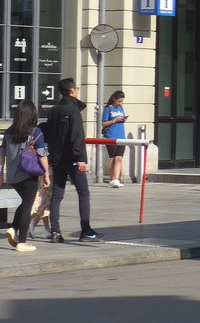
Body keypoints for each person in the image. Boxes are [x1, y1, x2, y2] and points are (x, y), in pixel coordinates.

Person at [45, 77, 100, 243]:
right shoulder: (73, 110)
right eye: (76, 88)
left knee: (57, 195)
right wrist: (81, 158)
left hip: (56, 158)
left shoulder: (54, 109)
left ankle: (55, 232)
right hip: (72, 159)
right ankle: (86, 231)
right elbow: (77, 136)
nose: (77, 90)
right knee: (83, 193)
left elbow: (49, 134)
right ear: (72, 91)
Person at [1, 100, 51, 253]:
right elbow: (42, 155)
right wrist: (46, 174)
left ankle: (14, 228)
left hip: (13, 175)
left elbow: (1, 154)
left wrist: (0, 174)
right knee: (28, 205)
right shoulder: (36, 132)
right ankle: (22, 242)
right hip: (29, 174)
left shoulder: (9, 132)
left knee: (24, 202)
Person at [102, 89, 129, 187]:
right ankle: (111, 179)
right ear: (114, 99)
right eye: (119, 101)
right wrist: (115, 120)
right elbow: (104, 123)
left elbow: (120, 119)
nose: (120, 103)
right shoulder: (108, 109)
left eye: (122, 101)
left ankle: (116, 179)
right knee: (112, 158)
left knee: (119, 158)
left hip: (121, 135)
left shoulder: (121, 108)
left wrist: (123, 119)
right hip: (111, 135)